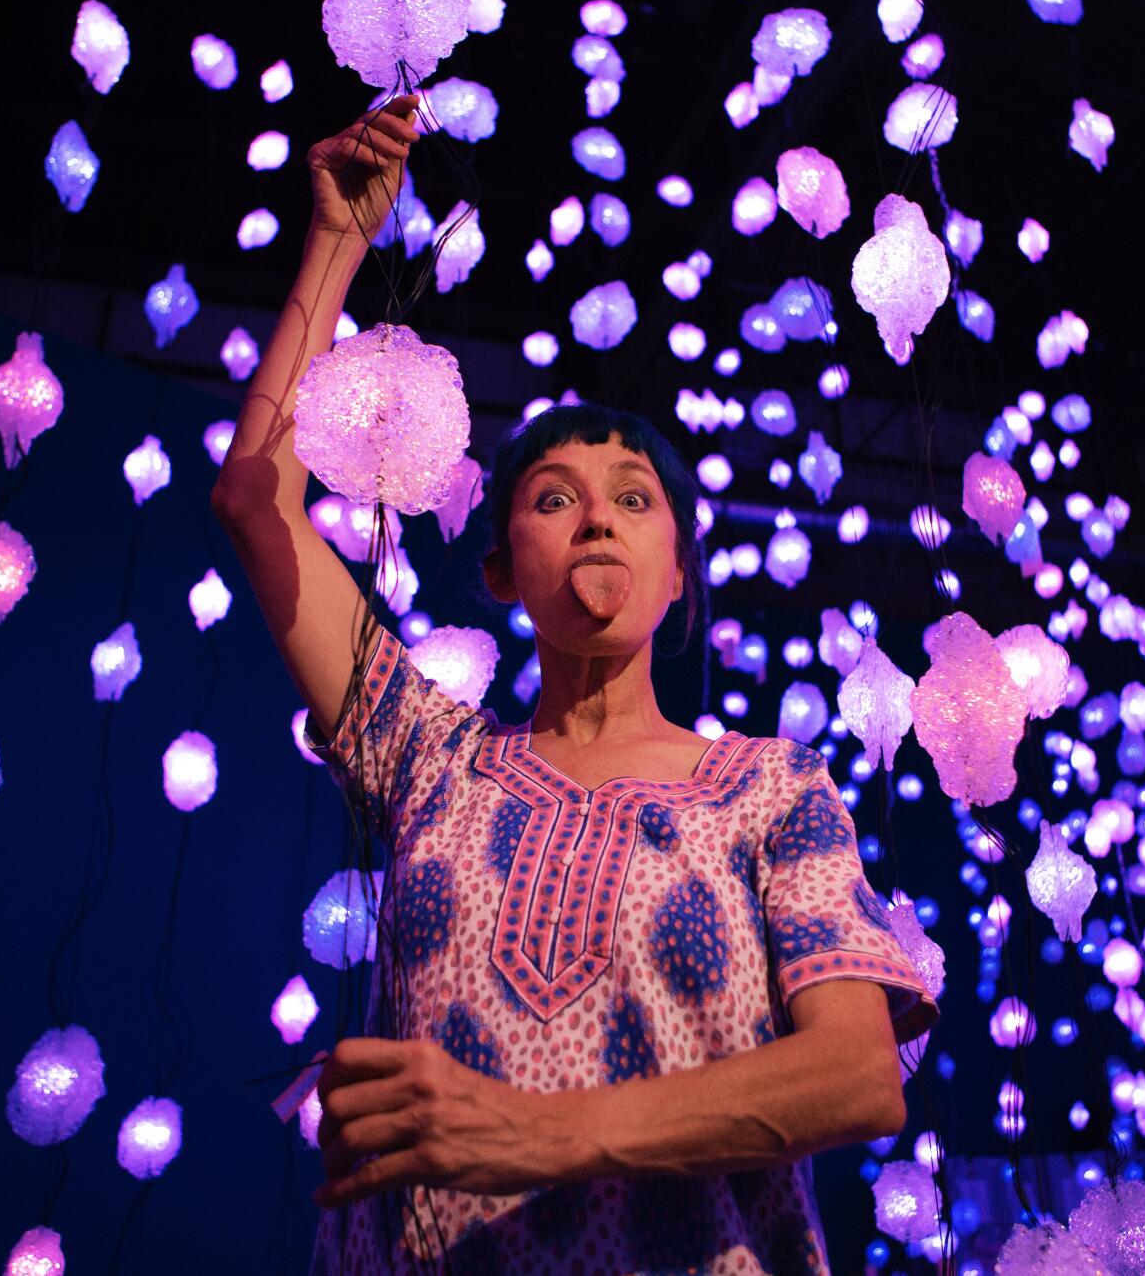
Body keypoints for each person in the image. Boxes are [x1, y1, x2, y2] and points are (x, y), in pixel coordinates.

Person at [210, 97, 940, 1275]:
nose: (595, 510)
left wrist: (534, 1132)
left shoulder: (771, 789)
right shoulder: (426, 752)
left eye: (632, 497)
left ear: (677, 577)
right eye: (552, 496)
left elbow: (857, 1074)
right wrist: (339, 240)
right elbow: (254, 499)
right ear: (502, 570)